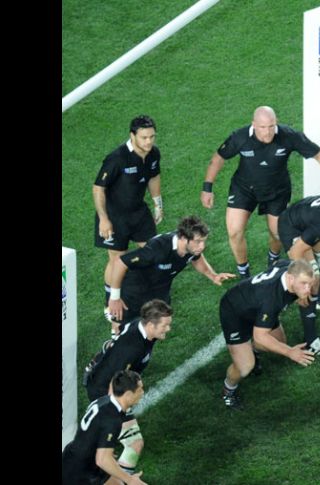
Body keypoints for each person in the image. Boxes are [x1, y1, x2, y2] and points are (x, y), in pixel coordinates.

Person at [200, 106, 320, 278]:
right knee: (234, 231)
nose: (268, 132)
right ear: (254, 124)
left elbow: (319, 154)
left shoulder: (289, 135)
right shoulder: (239, 137)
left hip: (277, 191)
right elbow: (218, 158)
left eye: (272, 126)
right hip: (244, 189)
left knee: (277, 233)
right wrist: (207, 188)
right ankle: (244, 272)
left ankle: (273, 260)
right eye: (263, 127)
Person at [218, 259, 320, 409]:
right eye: (303, 284)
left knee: (279, 340)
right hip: (235, 311)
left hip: (258, 306)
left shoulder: (290, 269)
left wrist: (303, 290)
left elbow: (280, 263)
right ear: (290, 278)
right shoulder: (271, 298)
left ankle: (254, 351)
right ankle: (228, 390)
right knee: (245, 366)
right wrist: (290, 352)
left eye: (310, 283)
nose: (308, 289)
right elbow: (260, 337)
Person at [82, 300, 173, 476]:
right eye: (165, 325)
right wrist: (114, 417)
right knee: (134, 444)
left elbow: (116, 335)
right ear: (150, 324)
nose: (168, 329)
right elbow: (113, 383)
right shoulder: (132, 348)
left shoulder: (141, 327)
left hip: (105, 382)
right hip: (104, 392)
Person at [106, 215, 235, 335]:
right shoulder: (158, 249)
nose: (202, 246)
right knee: (120, 330)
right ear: (183, 238)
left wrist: (213, 276)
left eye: (203, 241)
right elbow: (120, 262)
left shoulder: (191, 248)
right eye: (198, 241)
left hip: (160, 290)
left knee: (156, 329)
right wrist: (115, 297)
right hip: (135, 288)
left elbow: (196, 258)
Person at [94, 115, 163, 324]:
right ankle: (110, 301)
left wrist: (157, 202)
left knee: (153, 253)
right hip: (115, 216)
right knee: (116, 259)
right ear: (132, 135)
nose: (149, 142)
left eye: (151, 137)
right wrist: (104, 219)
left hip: (138, 213)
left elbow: (153, 176)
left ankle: (149, 295)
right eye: (144, 137)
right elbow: (98, 188)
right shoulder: (117, 158)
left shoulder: (153, 154)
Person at [62, 370, 147, 485]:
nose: (142, 392)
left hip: (79, 459)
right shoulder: (112, 420)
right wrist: (130, 479)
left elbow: (93, 430)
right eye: (139, 389)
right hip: (80, 472)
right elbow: (102, 460)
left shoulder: (104, 401)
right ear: (128, 394)